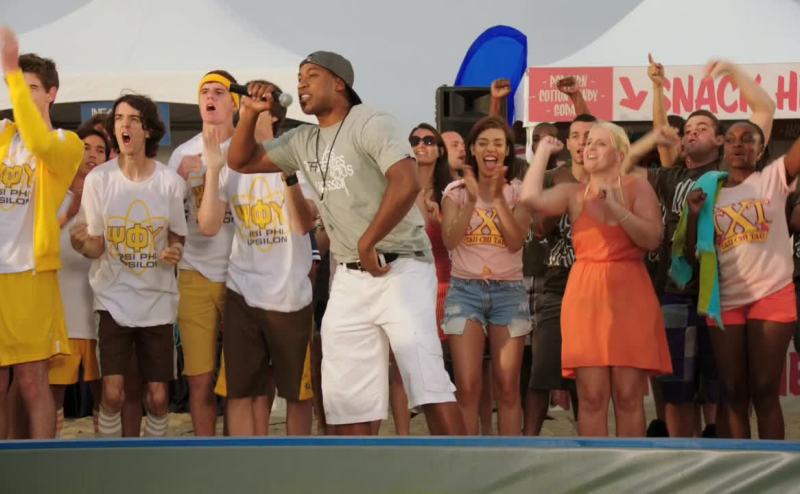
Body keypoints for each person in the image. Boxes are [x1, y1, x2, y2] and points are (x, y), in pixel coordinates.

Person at [227, 51, 464, 435]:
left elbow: (407, 182)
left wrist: (369, 242)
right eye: (298, 78)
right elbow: (241, 161)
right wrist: (251, 113)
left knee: (426, 382)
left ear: (339, 83)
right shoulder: (302, 139)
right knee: (347, 400)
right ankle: (360, 469)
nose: (301, 84)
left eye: (311, 75)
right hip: (350, 279)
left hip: (400, 267)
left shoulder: (370, 121)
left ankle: (464, 467)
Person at [626, 57, 775, 438]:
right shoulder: (670, 176)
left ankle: (716, 456)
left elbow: (764, 111)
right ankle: (683, 459)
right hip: (674, 292)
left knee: (720, 390)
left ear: (722, 140)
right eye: (688, 130)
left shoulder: (732, 173)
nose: (691, 133)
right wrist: (657, 87)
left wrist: (733, 72)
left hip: (721, 294)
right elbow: (650, 142)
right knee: (676, 393)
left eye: (702, 128)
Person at [522, 123, 672, 437]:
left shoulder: (637, 187)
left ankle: (630, 465)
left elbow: (652, 238)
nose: (589, 147)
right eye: (588, 142)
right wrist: (543, 153)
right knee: (591, 396)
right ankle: (597, 466)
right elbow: (530, 198)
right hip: (585, 295)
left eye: (600, 143)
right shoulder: (573, 193)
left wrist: (614, 206)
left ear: (619, 153)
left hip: (630, 293)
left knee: (628, 396)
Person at [198, 79, 316, 437]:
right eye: (247, 108)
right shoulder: (228, 156)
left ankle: (295, 464)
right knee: (240, 390)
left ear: (275, 115)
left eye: (259, 109)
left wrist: (286, 173)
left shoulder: (297, 152)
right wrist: (213, 169)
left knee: (297, 394)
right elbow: (209, 225)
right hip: (242, 291)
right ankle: (242, 462)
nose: (249, 114)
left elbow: (303, 224)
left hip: (290, 296)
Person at [70, 94, 187, 437]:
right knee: (112, 393)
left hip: (158, 300)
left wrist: (175, 250)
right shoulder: (99, 180)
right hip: (112, 298)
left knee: (159, 398)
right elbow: (96, 245)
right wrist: (82, 244)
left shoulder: (169, 182)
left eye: (133, 119)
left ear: (148, 130)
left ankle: (154, 459)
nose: (124, 124)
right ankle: (108, 457)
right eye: (119, 118)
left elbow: (178, 234)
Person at [684, 126, 800, 440]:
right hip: (725, 301)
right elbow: (693, 256)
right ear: (723, 147)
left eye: (748, 140)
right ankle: (740, 465)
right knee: (732, 391)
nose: (738, 145)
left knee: (764, 389)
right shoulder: (709, 192)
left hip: (772, 294)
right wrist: (694, 214)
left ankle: (772, 466)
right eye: (731, 140)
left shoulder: (773, 178)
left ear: (761, 150)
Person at [0, 27, 83, 439]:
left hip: (29, 274)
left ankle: (41, 465)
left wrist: (12, 74)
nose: (22, 94)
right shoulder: (2, 135)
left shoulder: (67, 142)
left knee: (32, 382)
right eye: (18, 86)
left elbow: (37, 140)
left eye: (32, 87)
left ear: (52, 93)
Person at [441, 116, 531, 435]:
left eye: (497, 143)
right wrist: (472, 198)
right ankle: (467, 459)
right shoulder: (454, 192)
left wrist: (496, 199)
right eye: (483, 143)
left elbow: (515, 241)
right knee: (467, 386)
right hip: (465, 292)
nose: (490, 149)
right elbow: (449, 240)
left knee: (507, 387)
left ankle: (508, 459)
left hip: (509, 292)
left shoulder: (519, 192)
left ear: (507, 151)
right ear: (472, 150)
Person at [167, 70, 238, 436]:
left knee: (239, 377)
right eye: (205, 92)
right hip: (194, 270)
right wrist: (178, 178)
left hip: (241, 272)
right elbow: (164, 214)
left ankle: (237, 451)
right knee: (199, 377)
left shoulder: (246, 149)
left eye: (219, 92)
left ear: (234, 103)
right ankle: (204, 451)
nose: (210, 97)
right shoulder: (183, 152)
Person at [49, 127, 109, 435]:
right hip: (61, 312)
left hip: (102, 309)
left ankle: (107, 453)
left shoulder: (112, 197)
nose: (92, 156)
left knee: (106, 394)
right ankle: (49, 453)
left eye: (100, 150)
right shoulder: (54, 195)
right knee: (53, 394)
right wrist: (67, 214)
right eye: (86, 148)